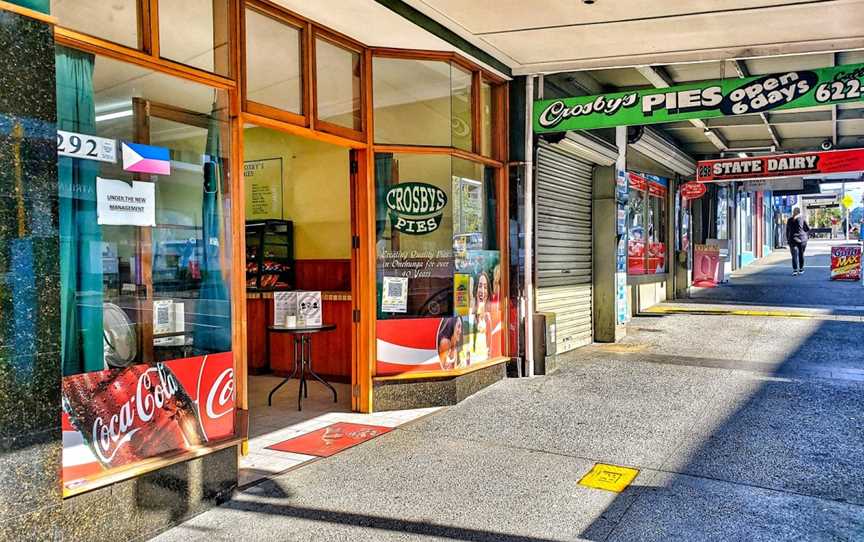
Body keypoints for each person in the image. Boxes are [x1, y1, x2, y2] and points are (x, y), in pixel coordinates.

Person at [785, 207, 810, 276]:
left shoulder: (789, 220)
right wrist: (807, 236)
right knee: (801, 254)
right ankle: (801, 269)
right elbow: (807, 229)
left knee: (794, 255)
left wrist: (788, 239)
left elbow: (787, 231)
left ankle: (795, 270)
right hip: (802, 239)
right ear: (799, 212)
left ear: (793, 212)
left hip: (792, 239)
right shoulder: (802, 219)